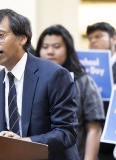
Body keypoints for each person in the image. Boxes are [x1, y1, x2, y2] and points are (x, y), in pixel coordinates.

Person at [0, 9, 79, 159]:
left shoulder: (54, 74)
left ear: (22, 38)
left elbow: (66, 133)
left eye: (0, 35)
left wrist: (25, 143)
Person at [35, 24, 105, 160]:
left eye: (56, 47)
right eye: (45, 47)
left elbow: (94, 128)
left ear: (68, 49)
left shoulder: (84, 82)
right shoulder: (33, 82)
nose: (50, 52)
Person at [86, 22, 116, 160]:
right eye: (90, 38)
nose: (93, 41)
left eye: (98, 36)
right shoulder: (84, 70)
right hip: (90, 136)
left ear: (113, 39)